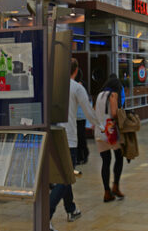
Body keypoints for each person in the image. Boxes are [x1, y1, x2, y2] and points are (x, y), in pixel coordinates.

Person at [50, 59, 101, 224]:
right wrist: (101, 125)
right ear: (76, 70)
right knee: (66, 177)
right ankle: (46, 214)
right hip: (68, 138)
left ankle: (71, 209)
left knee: (67, 174)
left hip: (50, 136)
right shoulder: (77, 87)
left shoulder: (51, 85)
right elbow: (89, 112)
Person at [95, 77, 125, 202]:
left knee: (105, 162)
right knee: (119, 158)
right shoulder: (113, 94)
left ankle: (106, 192)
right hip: (111, 132)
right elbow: (113, 113)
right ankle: (116, 186)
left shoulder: (100, 95)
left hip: (99, 132)